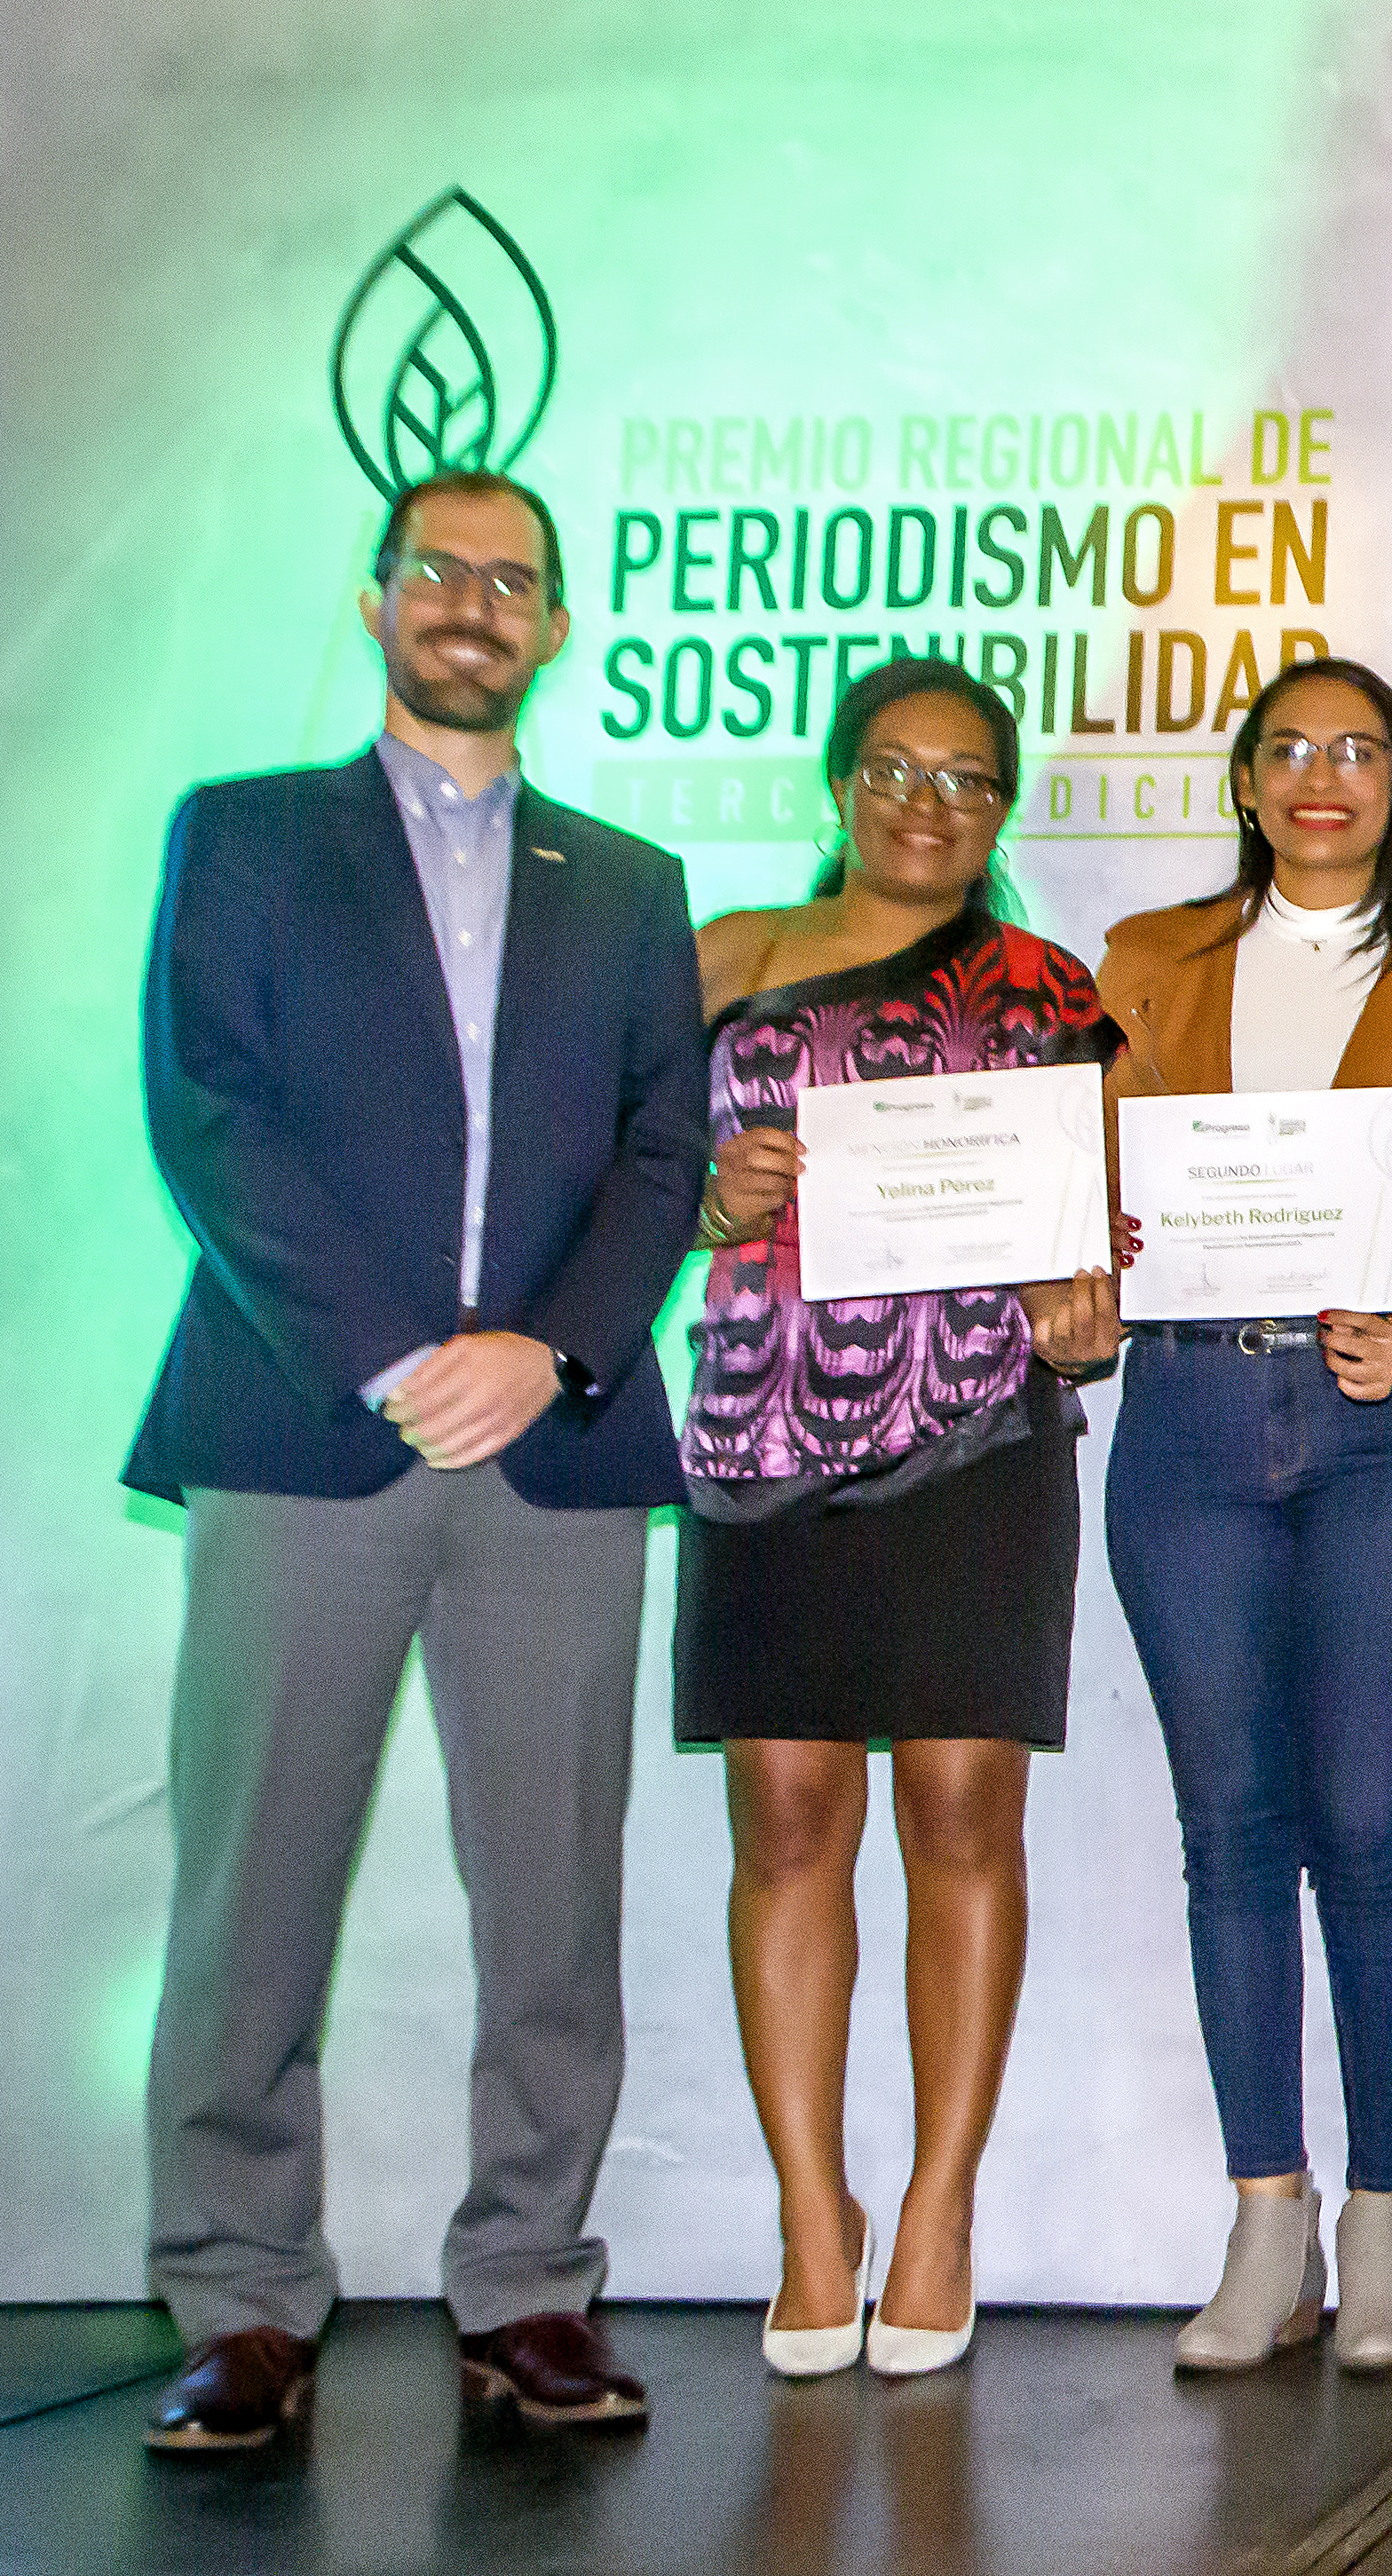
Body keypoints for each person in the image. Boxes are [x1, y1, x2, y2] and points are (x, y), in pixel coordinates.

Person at [130, 470, 703, 2452]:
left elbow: (661, 1153)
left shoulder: (627, 882)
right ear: (376, 603)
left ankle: (531, 2285)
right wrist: (397, 1353)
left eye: (514, 582)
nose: (474, 601)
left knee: (553, 1896)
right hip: (306, 1428)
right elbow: (207, 1115)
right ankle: (239, 2296)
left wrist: (539, 1350)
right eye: (440, 570)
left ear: (555, 629)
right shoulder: (246, 838)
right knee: (251, 1893)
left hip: (552, 1447)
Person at [676, 654, 1121, 2382]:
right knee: (785, 1817)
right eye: (893, 767)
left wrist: (1089, 1300)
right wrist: (706, 1194)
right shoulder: (719, 962)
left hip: (975, 1439)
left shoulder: (1049, 987)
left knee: (957, 1811)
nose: (926, 801)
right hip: (760, 1431)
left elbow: (1094, 1235)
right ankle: (813, 2215)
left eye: (965, 776)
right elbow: (628, 1189)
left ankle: (936, 2206)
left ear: (1001, 807)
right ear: (837, 780)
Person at [1095, 657, 1392, 2373]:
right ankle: (1267, 2214)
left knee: (1367, 1820)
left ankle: (1385, 2217)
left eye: (1358, 750)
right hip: (1184, 1413)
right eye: (1289, 750)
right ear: (1245, 781)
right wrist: (1080, 1258)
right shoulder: (1140, 963)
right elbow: (1082, 1186)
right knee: (1230, 1825)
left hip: (1374, 1430)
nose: (1323, 777)